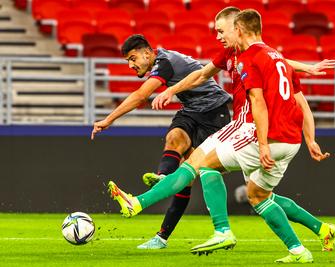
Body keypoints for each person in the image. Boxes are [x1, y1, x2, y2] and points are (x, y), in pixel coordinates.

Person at [107, 7, 335, 263]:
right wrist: (310, 138)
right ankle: (311, 239)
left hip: (252, 128)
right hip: (290, 139)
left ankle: (213, 227)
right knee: (260, 196)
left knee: (200, 165)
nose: (217, 36)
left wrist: (263, 143)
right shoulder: (272, 58)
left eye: (220, 31)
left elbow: (258, 103)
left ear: (237, 28)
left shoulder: (250, 57)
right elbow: (299, 100)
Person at [91, 34, 232, 249]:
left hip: (214, 114)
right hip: (191, 110)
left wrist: (108, 120)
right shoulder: (164, 60)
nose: (131, 65)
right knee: (174, 138)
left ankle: (167, 234)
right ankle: (164, 177)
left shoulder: (164, 62)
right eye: (128, 61)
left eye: (133, 58)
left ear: (147, 53)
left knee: (192, 173)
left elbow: (141, 96)